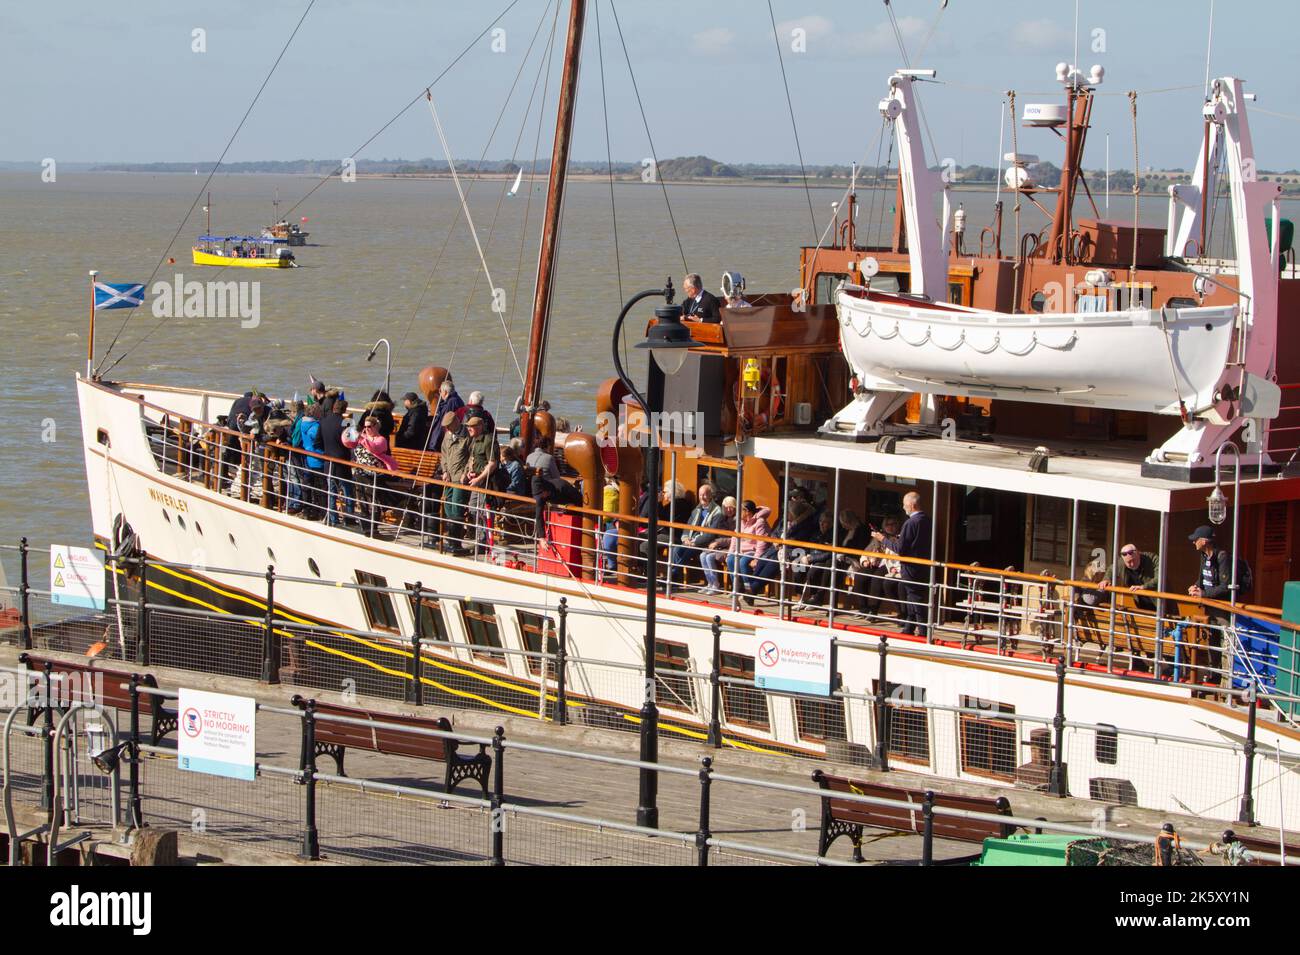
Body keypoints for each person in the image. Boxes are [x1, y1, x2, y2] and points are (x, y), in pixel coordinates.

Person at [1187, 524, 1252, 688]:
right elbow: (1203, 578)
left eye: (1196, 539)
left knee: (1226, 642)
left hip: (1222, 608)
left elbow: (1225, 586)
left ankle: (1226, 680)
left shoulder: (1223, 557)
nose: (1193, 541)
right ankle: (1214, 674)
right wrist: (1196, 587)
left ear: (1204, 541)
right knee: (1212, 639)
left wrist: (1204, 594)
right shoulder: (1203, 556)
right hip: (1209, 606)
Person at [887, 492, 932, 636]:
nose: (903, 507)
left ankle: (924, 631)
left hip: (911, 567)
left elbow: (900, 549)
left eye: (905, 504)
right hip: (923, 567)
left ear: (912, 505)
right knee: (911, 596)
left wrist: (883, 539)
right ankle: (909, 627)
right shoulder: (927, 520)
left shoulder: (910, 522)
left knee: (914, 597)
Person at [526, 433, 583, 540]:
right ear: (547, 446)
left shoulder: (529, 456)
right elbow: (556, 476)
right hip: (550, 489)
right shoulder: (549, 458)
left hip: (533, 489)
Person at [672, 483, 724, 583]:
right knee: (676, 549)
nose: (702, 497)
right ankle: (675, 576)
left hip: (704, 543)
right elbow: (688, 527)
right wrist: (686, 538)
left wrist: (695, 542)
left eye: (705, 495)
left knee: (687, 552)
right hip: (690, 541)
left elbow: (711, 534)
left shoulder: (717, 511)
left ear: (710, 495)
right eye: (700, 495)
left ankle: (673, 575)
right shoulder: (697, 510)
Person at [727, 500, 776, 605]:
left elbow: (761, 542)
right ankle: (738, 588)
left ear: (747, 511)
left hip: (753, 551)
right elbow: (735, 538)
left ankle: (749, 592)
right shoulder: (741, 522)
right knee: (731, 560)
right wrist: (730, 553)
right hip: (741, 550)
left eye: (741, 511)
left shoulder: (760, 522)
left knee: (743, 563)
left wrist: (756, 558)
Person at [437, 412, 473, 552]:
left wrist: (465, 473)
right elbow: (444, 454)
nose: (447, 429)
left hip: (459, 477)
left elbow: (471, 457)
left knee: (457, 506)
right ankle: (452, 536)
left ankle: (455, 541)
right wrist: (444, 471)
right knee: (447, 504)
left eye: (448, 426)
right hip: (449, 476)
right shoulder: (447, 436)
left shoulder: (467, 436)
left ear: (455, 422)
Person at [463, 416, 499, 552]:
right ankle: (480, 538)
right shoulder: (474, 441)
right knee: (473, 507)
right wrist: (469, 473)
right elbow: (473, 458)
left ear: (479, 427)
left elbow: (493, 463)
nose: (468, 429)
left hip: (486, 483)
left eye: (471, 427)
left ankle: (484, 541)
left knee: (485, 510)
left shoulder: (488, 440)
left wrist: (479, 478)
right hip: (476, 480)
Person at [320, 396, 356, 527]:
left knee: (332, 491)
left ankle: (333, 518)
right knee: (348, 491)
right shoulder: (347, 422)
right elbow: (352, 443)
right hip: (343, 461)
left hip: (328, 461)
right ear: (344, 410)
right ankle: (349, 517)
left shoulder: (323, 421)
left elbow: (318, 441)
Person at [790, 510, 836, 610]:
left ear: (831, 523)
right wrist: (803, 556)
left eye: (825, 522)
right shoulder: (816, 533)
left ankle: (814, 599)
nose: (822, 524)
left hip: (822, 560)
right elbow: (808, 546)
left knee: (813, 572)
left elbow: (829, 553)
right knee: (797, 568)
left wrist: (811, 558)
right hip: (809, 557)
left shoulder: (833, 535)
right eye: (820, 522)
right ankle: (799, 598)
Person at [1098, 544, 1160, 612]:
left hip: (1159, 601)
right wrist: (1106, 579)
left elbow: (1160, 578)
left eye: (1134, 560)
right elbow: (1111, 569)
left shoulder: (1153, 559)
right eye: (1129, 562)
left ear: (1138, 554)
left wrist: (1143, 587)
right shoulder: (1121, 562)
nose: (1132, 564)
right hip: (1140, 603)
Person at [700, 496, 738, 595]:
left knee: (709, 557)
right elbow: (717, 534)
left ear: (735, 508)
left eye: (731, 507)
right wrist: (714, 543)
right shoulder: (722, 518)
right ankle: (710, 582)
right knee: (702, 555)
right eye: (726, 507)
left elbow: (733, 539)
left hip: (730, 548)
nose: (728, 510)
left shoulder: (737, 520)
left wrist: (718, 542)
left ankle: (716, 585)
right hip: (719, 546)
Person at [297, 403, 326, 519]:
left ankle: (308, 510)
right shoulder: (314, 427)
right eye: (320, 411)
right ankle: (320, 512)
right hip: (317, 459)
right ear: (315, 413)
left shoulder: (303, 423)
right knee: (320, 488)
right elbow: (317, 439)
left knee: (309, 485)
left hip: (308, 457)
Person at [428, 378, 465, 452]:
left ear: (445, 392)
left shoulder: (451, 402)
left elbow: (444, 422)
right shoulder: (456, 399)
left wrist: (434, 443)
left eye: (440, 391)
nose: (440, 393)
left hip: (445, 436)